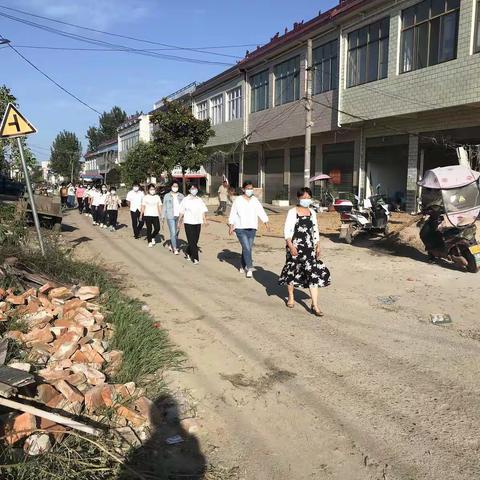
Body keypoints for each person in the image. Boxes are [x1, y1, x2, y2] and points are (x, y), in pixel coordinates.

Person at [279, 187, 331, 317]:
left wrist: (318, 245)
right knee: (292, 270)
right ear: (299, 198)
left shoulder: (312, 212)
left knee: (312, 273)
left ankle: (315, 305)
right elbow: (287, 230)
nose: (306, 200)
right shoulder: (292, 212)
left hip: (309, 248)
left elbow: (315, 230)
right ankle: (291, 296)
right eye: (304, 198)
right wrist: (290, 246)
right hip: (295, 247)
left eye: (308, 198)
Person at [228, 180, 269, 278]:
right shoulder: (238, 200)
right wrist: (231, 225)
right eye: (248, 189)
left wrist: (266, 222)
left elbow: (261, 211)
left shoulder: (255, 200)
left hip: (252, 227)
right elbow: (233, 213)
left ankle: (242, 264)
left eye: (251, 189)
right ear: (243, 189)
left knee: (248, 248)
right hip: (240, 227)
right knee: (246, 247)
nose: (250, 190)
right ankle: (249, 268)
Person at [178, 185, 208, 264]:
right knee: (191, 240)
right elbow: (181, 211)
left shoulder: (199, 200)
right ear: (189, 190)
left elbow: (203, 210)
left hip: (197, 222)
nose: (194, 190)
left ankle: (188, 251)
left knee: (195, 240)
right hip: (188, 222)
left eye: (195, 188)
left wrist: (205, 220)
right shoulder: (185, 200)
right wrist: (179, 221)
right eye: (192, 188)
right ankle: (195, 258)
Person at [162, 181, 184, 254]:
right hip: (170, 216)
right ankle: (175, 248)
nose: (175, 187)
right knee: (173, 232)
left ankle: (171, 244)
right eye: (174, 186)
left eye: (176, 186)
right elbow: (164, 207)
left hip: (179, 216)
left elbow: (184, 206)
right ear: (171, 187)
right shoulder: (167, 196)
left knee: (176, 232)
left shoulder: (181, 196)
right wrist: (162, 218)